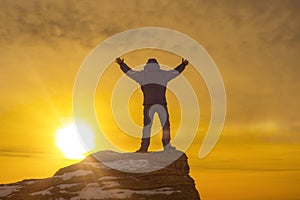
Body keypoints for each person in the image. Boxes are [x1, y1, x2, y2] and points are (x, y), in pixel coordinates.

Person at [116, 57, 189, 153]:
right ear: (157, 65)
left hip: (148, 104)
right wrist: (183, 65)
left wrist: (121, 64)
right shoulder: (163, 74)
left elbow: (130, 73)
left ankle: (144, 148)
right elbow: (174, 72)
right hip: (161, 103)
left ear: (147, 66)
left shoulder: (142, 75)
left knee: (147, 127)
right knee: (165, 126)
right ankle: (167, 146)